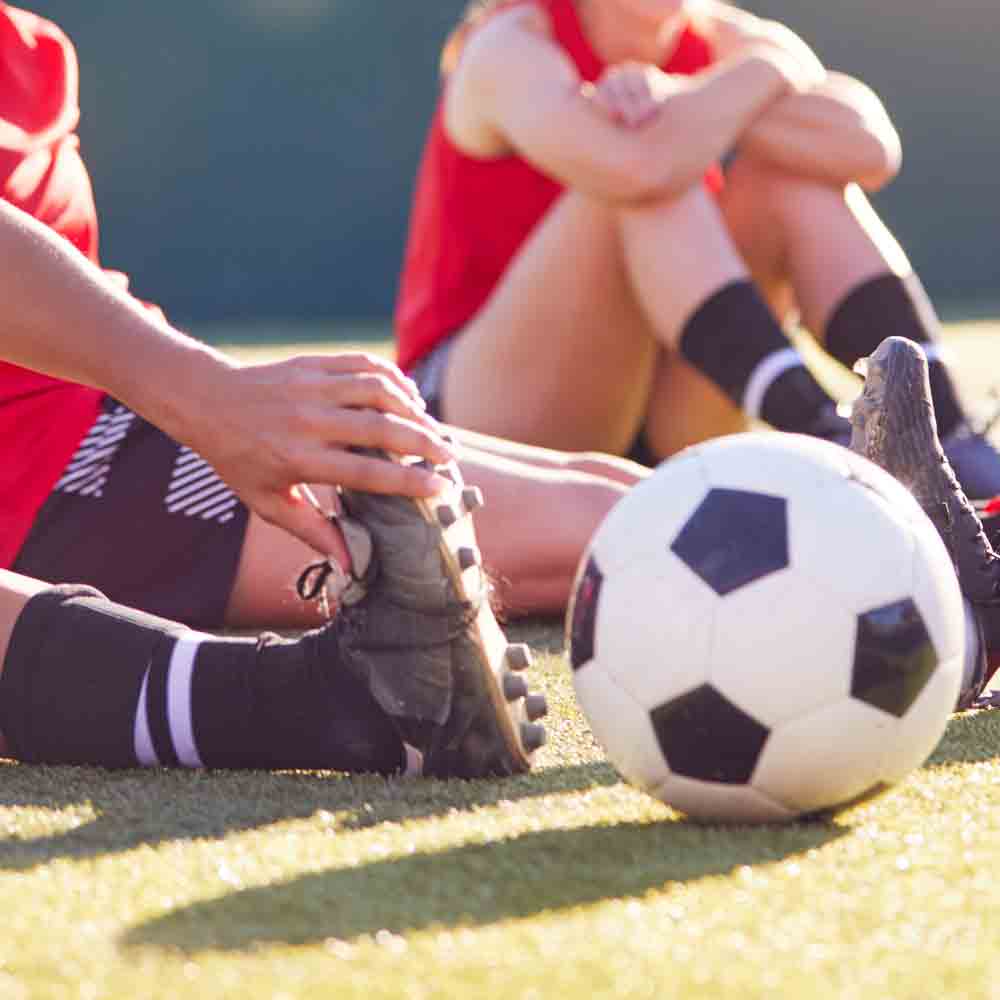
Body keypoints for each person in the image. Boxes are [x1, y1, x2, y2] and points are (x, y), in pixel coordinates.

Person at [0, 0, 643, 635]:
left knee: (613, 493)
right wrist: (211, 398)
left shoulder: (31, 53)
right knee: (615, 525)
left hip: (111, 415)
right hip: (47, 480)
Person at [395, 0, 1000, 499]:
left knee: (781, 179)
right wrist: (764, 75)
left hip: (666, 407)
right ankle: (828, 439)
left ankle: (950, 439)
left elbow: (868, 148)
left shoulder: (719, 36)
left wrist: (680, 93)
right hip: (488, 425)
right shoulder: (510, 44)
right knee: (638, 184)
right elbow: (637, 168)